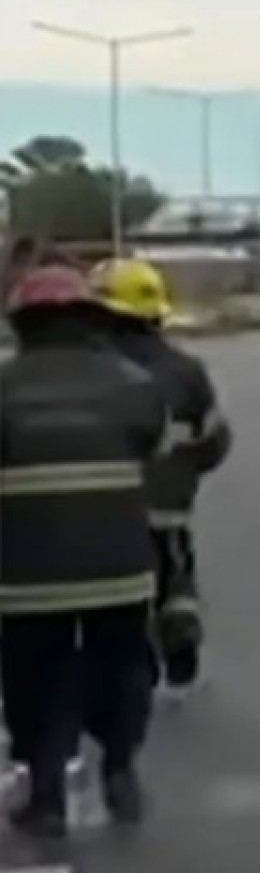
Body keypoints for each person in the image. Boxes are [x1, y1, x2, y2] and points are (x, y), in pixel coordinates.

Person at [0, 266, 169, 837]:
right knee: (122, 664)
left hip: (25, 574)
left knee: (34, 676)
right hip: (119, 564)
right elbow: (158, 455)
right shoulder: (135, 384)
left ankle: (46, 796)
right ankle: (120, 768)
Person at [90, 258, 233, 705]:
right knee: (173, 570)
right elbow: (213, 440)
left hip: (99, 508)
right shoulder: (187, 371)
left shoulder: (89, 370)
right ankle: (179, 632)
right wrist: (184, 471)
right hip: (167, 504)